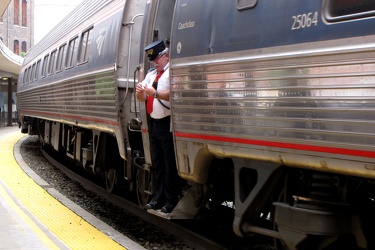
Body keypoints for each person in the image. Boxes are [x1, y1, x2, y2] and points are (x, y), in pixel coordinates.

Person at [136, 40, 180, 213]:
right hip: (154, 123)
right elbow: (142, 99)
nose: (155, 62)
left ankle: (171, 199)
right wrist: (140, 92)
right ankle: (158, 196)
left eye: (157, 59)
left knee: (169, 164)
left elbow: (173, 95)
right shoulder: (151, 74)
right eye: (152, 60)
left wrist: (154, 92)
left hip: (167, 123)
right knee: (158, 163)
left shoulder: (171, 73)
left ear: (166, 55)